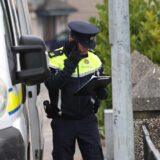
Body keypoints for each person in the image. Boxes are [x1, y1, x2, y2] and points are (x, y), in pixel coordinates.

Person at [45, 21, 108, 160]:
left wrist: (102, 91)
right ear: (72, 40)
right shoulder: (53, 59)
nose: (86, 49)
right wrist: (72, 62)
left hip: (88, 121)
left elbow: (99, 83)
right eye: (84, 45)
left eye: (89, 45)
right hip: (63, 122)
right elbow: (52, 85)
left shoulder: (94, 58)